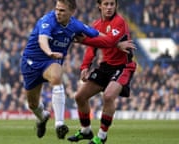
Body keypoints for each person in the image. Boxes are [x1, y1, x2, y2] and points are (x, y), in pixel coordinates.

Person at [20, 0, 100, 139]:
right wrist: (49, 51)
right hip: (31, 63)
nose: (58, 12)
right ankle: (42, 117)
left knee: (57, 77)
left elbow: (96, 35)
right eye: (57, 9)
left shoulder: (76, 25)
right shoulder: (47, 20)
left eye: (62, 10)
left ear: (71, 12)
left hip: (50, 62)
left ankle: (59, 124)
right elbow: (42, 40)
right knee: (32, 104)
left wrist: (116, 41)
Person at [67, 0, 137, 144]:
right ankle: (86, 131)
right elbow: (93, 48)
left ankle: (101, 136)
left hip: (123, 66)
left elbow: (109, 42)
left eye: (112, 4)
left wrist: (83, 41)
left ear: (116, 6)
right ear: (99, 6)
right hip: (105, 66)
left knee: (108, 96)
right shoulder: (97, 25)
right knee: (80, 96)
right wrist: (85, 66)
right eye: (106, 4)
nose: (109, 7)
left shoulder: (119, 22)